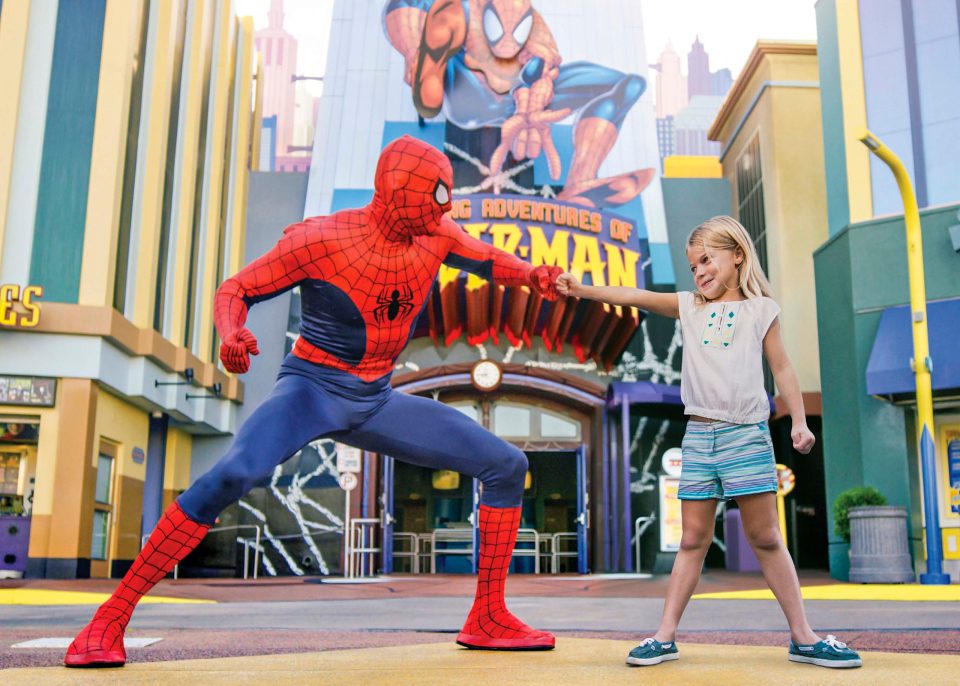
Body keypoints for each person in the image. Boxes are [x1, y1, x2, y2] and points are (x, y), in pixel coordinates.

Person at [65, 136, 561, 667]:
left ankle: (488, 616)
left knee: (507, 464)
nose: (446, 207)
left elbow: (490, 260)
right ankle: (109, 618)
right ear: (397, 193)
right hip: (311, 389)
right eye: (436, 194)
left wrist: (535, 275)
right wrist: (231, 334)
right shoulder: (322, 239)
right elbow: (237, 289)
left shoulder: (436, 234)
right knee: (232, 474)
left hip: (375, 398)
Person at [556, 216, 862, 670]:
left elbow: (782, 368)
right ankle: (664, 637)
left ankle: (804, 637)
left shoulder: (761, 310)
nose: (699, 271)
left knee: (766, 537)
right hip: (699, 437)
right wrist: (583, 290)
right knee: (692, 539)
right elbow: (634, 296)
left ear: (737, 254)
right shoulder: (689, 306)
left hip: (746, 434)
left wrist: (799, 421)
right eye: (693, 266)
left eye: (707, 260)